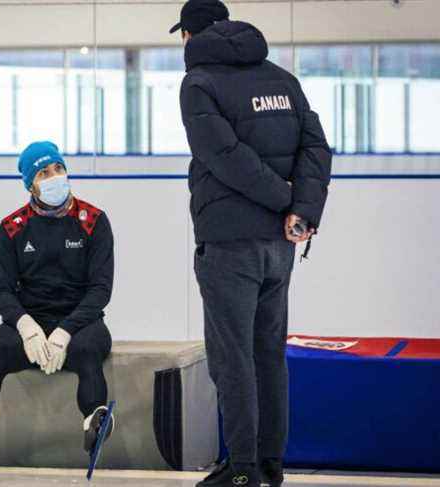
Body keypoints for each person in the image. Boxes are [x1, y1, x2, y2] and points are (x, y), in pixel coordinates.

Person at [172, 0, 332, 485]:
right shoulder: (283, 80)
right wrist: (301, 209)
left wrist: (285, 201)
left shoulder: (198, 83)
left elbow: (223, 156)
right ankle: (270, 465)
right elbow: (316, 148)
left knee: (232, 359)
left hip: (229, 244)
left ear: (192, 34)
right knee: (268, 356)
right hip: (280, 247)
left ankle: (242, 471)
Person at [0, 141, 116, 460]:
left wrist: (65, 331)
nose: (55, 176)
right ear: (30, 184)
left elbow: (100, 290)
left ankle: (95, 421)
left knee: (88, 350)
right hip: (31, 322)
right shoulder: (12, 228)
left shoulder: (94, 221)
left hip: (82, 323)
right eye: (44, 172)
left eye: (59, 168)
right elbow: (1, 290)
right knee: (1, 347)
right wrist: (26, 326)